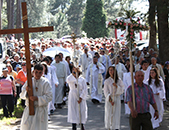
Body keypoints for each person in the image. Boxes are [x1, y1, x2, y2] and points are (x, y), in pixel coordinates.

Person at [20, 64, 52, 130]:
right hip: (30, 109)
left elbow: (49, 97)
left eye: (40, 72)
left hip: (40, 110)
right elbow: (22, 95)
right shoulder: (29, 81)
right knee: (27, 127)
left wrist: (37, 98)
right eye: (36, 72)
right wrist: (26, 91)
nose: (37, 74)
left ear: (42, 73)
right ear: (33, 72)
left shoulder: (45, 83)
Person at [104, 66, 124, 130]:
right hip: (110, 99)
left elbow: (122, 89)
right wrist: (110, 100)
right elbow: (106, 92)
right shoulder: (107, 81)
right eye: (109, 70)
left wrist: (117, 86)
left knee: (116, 114)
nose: (111, 71)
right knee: (109, 114)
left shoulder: (119, 80)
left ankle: (115, 128)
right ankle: (109, 127)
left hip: (116, 98)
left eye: (112, 70)